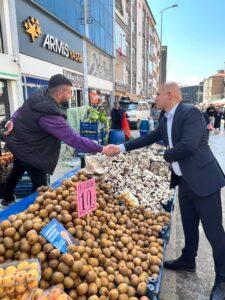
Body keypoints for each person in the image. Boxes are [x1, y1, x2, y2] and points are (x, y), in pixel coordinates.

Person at [108, 82, 225, 300]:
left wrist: (163, 156)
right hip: (185, 181)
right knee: (189, 225)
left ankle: (222, 279)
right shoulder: (165, 118)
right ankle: (188, 260)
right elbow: (149, 138)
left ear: (169, 95)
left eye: (158, 94)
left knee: (214, 233)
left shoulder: (191, 113)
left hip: (204, 180)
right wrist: (121, 148)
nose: (155, 97)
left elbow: (188, 146)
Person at [2, 74, 115, 206]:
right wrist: (101, 149)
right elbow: (73, 139)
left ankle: (7, 198)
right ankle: (34, 213)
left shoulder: (41, 92)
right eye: (69, 92)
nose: (71, 95)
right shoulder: (50, 115)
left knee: (16, 171)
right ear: (59, 93)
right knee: (40, 187)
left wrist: (13, 119)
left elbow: (21, 109)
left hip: (20, 144)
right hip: (32, 153)